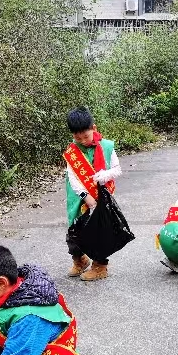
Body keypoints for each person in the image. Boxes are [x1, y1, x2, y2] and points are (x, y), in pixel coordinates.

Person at [63, 107, 122, 282]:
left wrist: (105, 175)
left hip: (102, 198)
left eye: (85, 136)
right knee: (74, 232)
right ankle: (80, 259)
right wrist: (86, 197)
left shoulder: (107, 146)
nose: (82, 141)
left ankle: (100, 266)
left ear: (94, 128)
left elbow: (117, 169)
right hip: (78, 199)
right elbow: (73, 178)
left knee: (100, 232)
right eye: (77, 138)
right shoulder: (72, 152)